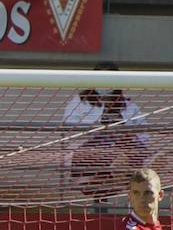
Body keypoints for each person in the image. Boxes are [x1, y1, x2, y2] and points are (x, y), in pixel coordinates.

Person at [61, 62, 152, 201]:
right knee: (112, 142)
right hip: (87, 153)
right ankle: (132, 170)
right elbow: (68, 129)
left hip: (122, 150)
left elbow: (145, 134)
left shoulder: (128, 105)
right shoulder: (80, 102)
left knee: (127, 141)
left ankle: (124, 170)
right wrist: (100, 124)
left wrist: (122, 127)